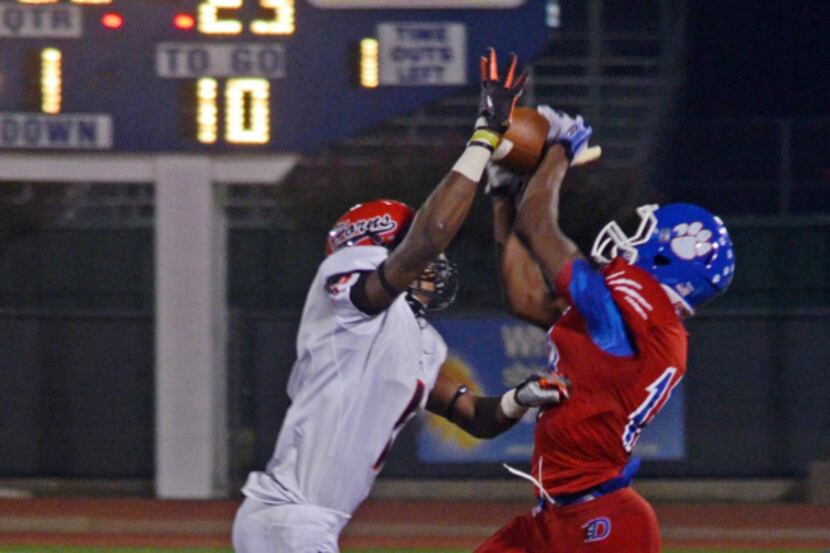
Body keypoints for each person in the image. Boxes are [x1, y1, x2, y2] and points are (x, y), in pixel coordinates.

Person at [231, 49, 571, 553]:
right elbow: (430, 237)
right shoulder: (343, 287)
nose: (432, 265)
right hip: (289, 518)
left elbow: (473, 416)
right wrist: (484, 137)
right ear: (372, 246)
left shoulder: (419, 339)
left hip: (311, 523)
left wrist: (517, 399)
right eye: (404, 243)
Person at [475, 106, 736, 552]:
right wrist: (504, 192)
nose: (634, 239)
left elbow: (539, 228)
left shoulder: (637, 320)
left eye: (649, 234)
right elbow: (525, 297)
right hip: (554, 516)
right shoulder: (623, 323)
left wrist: (563, 144)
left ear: (671, 258)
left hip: (604, 522)